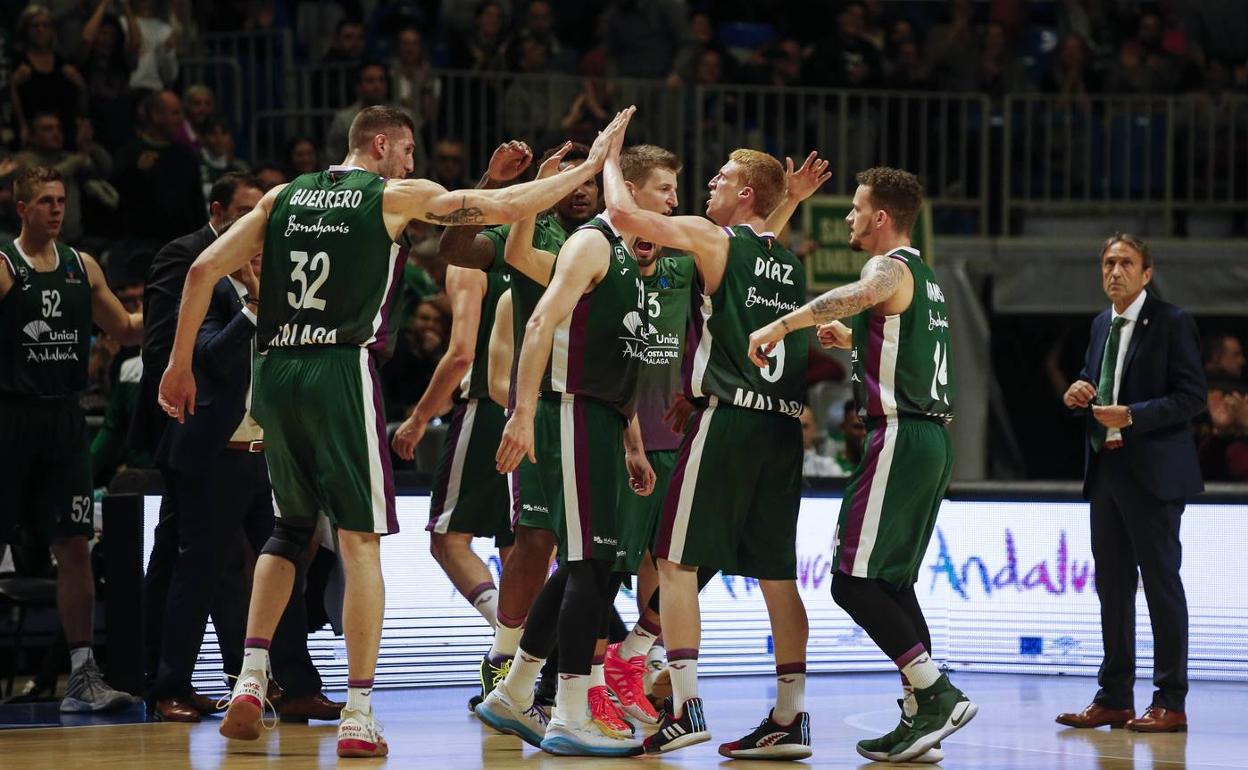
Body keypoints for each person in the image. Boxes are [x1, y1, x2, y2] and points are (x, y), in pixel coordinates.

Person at [158, 105, 631, 758]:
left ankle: (249, 677)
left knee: (289, 529)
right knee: (359, 543)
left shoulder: (282, 195)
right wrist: (592, 162)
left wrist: (179, 366)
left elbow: (200, 271)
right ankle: (357, 712)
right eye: (407, 150)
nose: (412, 163)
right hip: (338, 367)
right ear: (380, 145)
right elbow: (498, 210)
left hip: (273, 368)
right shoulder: (391, 194)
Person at [603, 137, 829, 758]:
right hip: (782, 429)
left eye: (722, 180)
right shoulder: (788, 261)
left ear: (746, 193)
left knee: (675, 563)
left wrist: (608, 159)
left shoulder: (712, 238)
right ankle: (790, 718)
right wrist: (791, 202)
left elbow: (622, 218)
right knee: (778, 578)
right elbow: (754, 251)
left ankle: (683, 707)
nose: (709, 188)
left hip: (727, 423)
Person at [748, 166, 973, 763]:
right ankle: (917, 718)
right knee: (893, 584)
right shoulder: (926, 281)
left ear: (879, 217)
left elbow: (855, 294)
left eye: (854, 208)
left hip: (899, 436)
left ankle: (935, 692)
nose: (847, 217)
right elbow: (910, 349)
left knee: (851, 580)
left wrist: (781, 323)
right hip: (930, 440)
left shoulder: (890, 267)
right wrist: (860, 347)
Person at [486, 108, 655, 756]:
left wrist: (631, 439)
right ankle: (571, 711)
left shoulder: (630, 262)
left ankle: (516, 688)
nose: (673, 204)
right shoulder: (587, 246)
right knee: (588, 563)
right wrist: (523, 413)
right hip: (569, 411)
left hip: (602, 417)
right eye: (662, 192)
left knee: (584, 559)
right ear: (630, 191)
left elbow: (622, 361)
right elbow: (517, 257)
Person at [147, 174, 341, 724]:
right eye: (245, 210)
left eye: (263, 210)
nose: (258, 220)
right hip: (212, 449)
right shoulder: (201, 270)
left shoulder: (281, 270)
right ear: (220, 212)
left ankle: (296, 686)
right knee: (197, 574)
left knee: (286, 571)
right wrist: (254, 302)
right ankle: (171, 688)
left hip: (268, 450)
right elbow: (203, 358)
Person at [454, 140, 598, 714]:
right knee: (535, 544)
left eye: (588, 179)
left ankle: (612, 667)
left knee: (599, 555)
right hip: (539, 410)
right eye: (568, 179)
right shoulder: (528, 235)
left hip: (602, 411)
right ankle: (505, 657)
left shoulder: (618, 240)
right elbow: (456, 246)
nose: (579, 189)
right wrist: (493, 184)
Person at [0, 165, 142, 712]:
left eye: (61, 200)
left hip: (62, 422)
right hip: (10, 419)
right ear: (22, 208)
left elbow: (125, 329)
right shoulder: (5, 266)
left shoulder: (82, 267)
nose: (56, 209)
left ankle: (82, 678)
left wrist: (181, 299)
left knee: (75, 547)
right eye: (44, 201)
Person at [1057, 234, 1205, 734]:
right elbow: (1097, 377)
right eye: (1107, 263)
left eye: (1125, 263)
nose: (1114, 271)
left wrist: (1133, 416)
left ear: (1146, 273)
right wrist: (1079, 388)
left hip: (1154, 474)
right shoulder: (1102, 323)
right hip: (1106, 470)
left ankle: (1170, 701)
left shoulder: (1172, 322)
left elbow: (1191, 397)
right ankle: (1115, 696)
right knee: (1112, 587)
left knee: (1161, 586)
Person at [391, 141, 536, 633]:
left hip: (490, 405)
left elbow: (460, 354)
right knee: (516, 542)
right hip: (537, 404)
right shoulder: (541, 250)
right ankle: (520, 663)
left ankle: (510, 637)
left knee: (448, 538)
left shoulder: (472, 257)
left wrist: (415, 419)